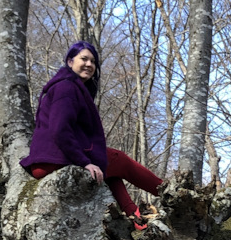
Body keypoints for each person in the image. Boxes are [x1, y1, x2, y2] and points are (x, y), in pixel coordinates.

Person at [21, 42, 163, 228]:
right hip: (53, 159)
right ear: (70, 62)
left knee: (108, 167)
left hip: (50, 159)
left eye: (93, 61)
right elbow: (59, 129)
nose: (89, 64)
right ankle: (168, 191)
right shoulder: (67, 88)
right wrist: (84, 162)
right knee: (119, 159)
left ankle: (136, 218)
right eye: (84, 59)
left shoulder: (68, 86)